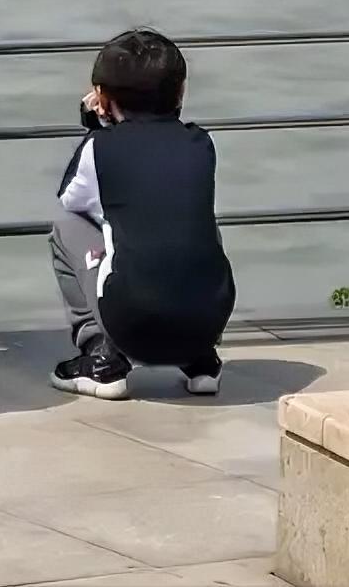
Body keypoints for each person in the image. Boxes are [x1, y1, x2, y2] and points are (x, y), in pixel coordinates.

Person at [48, 28, 235, 401]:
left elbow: (72, 200)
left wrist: (96, 128)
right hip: (207, 321)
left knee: (67, 228)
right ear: (181, 92)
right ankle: (201, 360)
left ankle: (101, 356)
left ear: (101, 97)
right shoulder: (202, 142)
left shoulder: (100, 146)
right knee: (191, 219)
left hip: (134, 327)